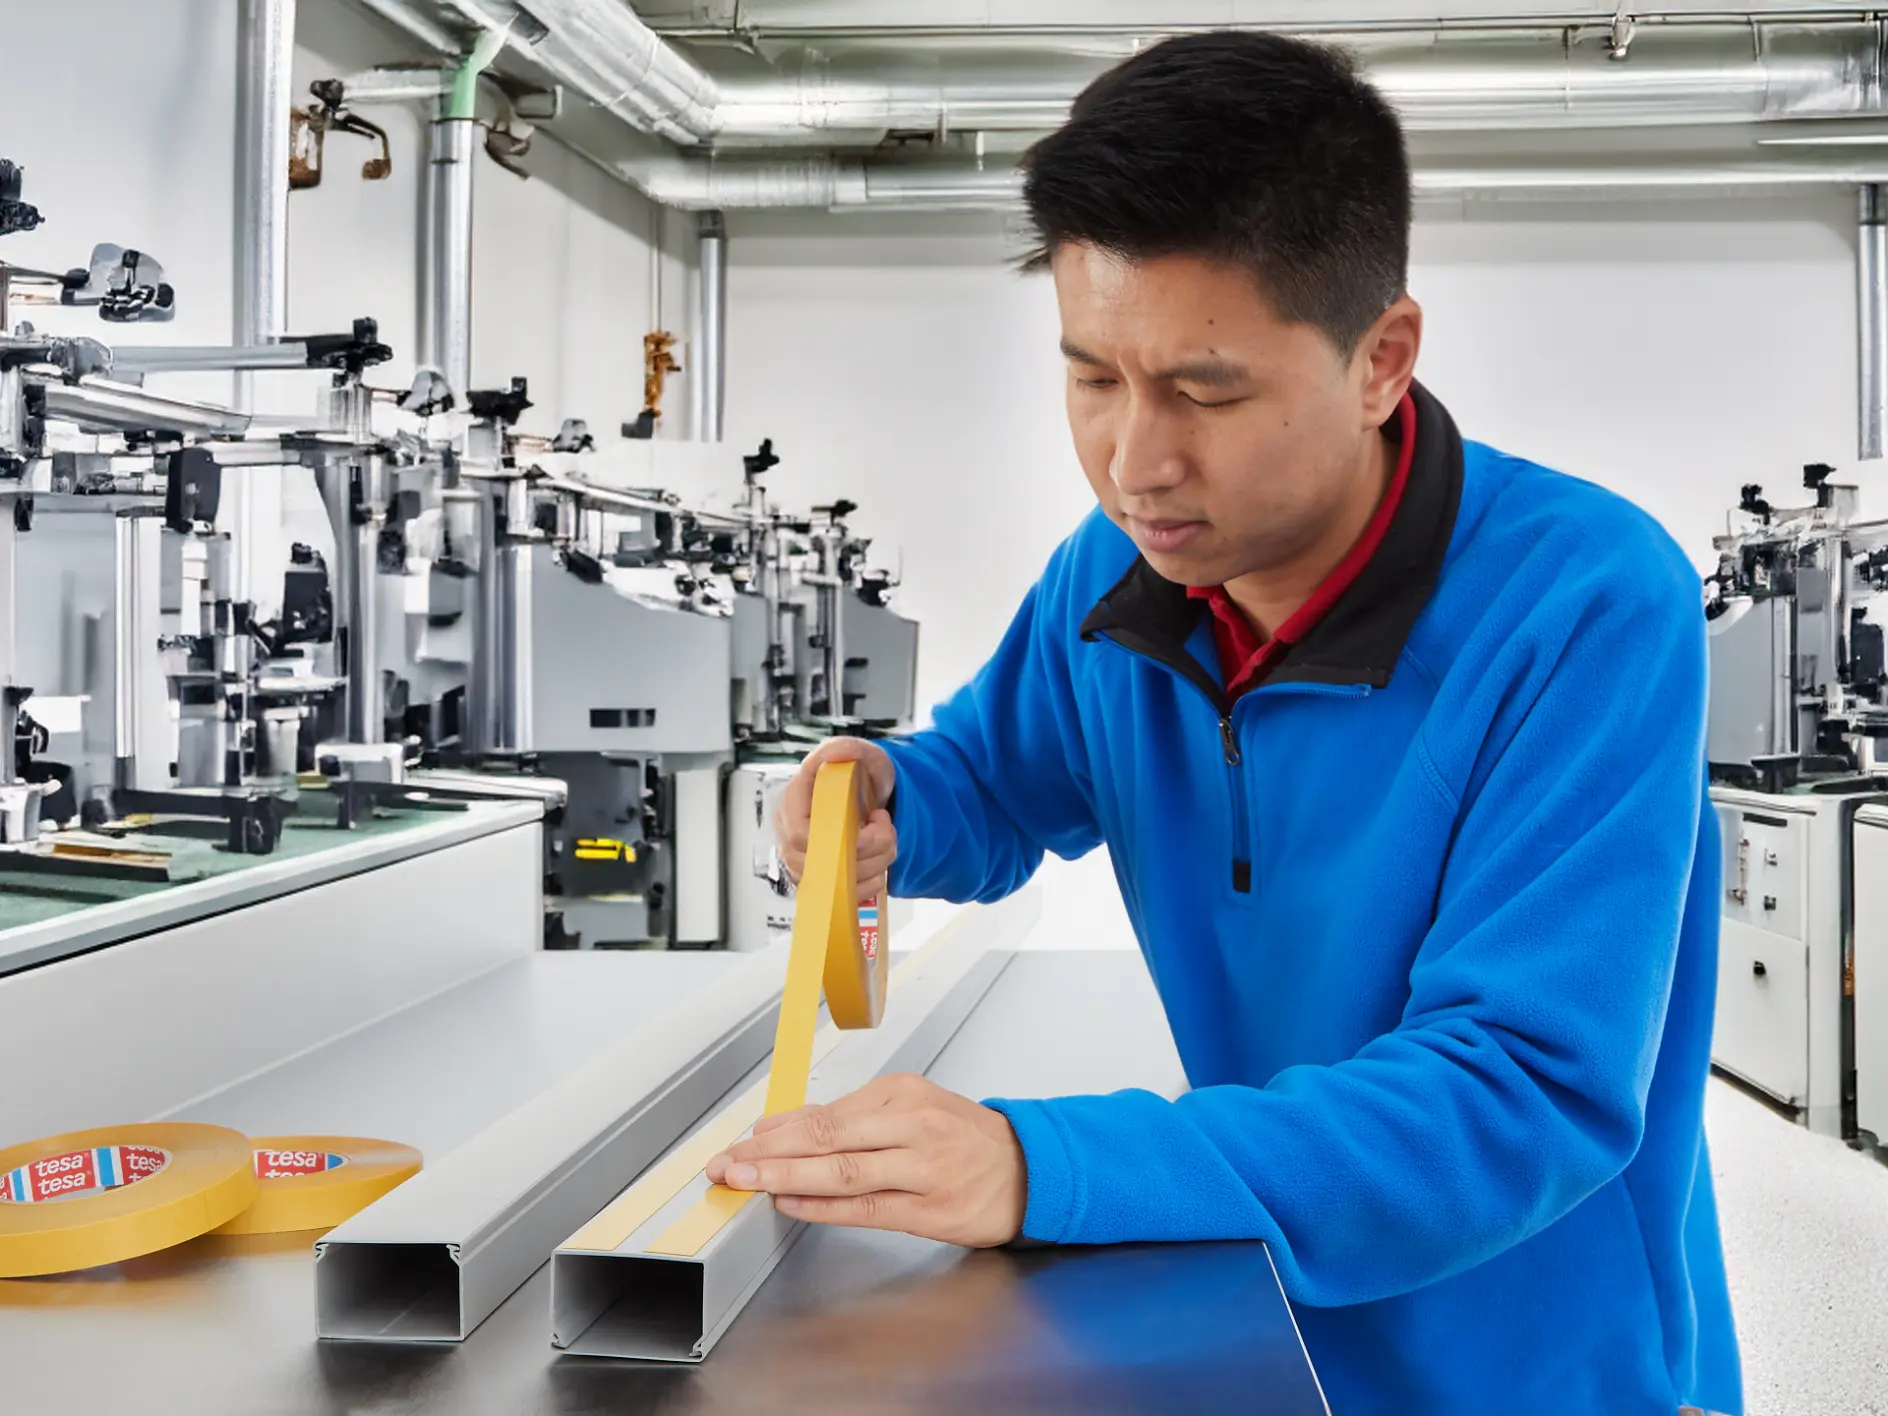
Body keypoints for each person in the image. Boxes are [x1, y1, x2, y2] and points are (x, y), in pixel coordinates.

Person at [705, 30, 1740, 1415]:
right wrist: (888, 795)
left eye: (1206, 390)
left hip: (1540, 1361)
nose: (1135, 462)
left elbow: (1522, 1095)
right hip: (1265, 1301)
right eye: (1092, 377)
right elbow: (1002, 781)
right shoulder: (1120, 576)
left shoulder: (1588, 605)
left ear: (1382, 360)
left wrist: (1038, 1165)